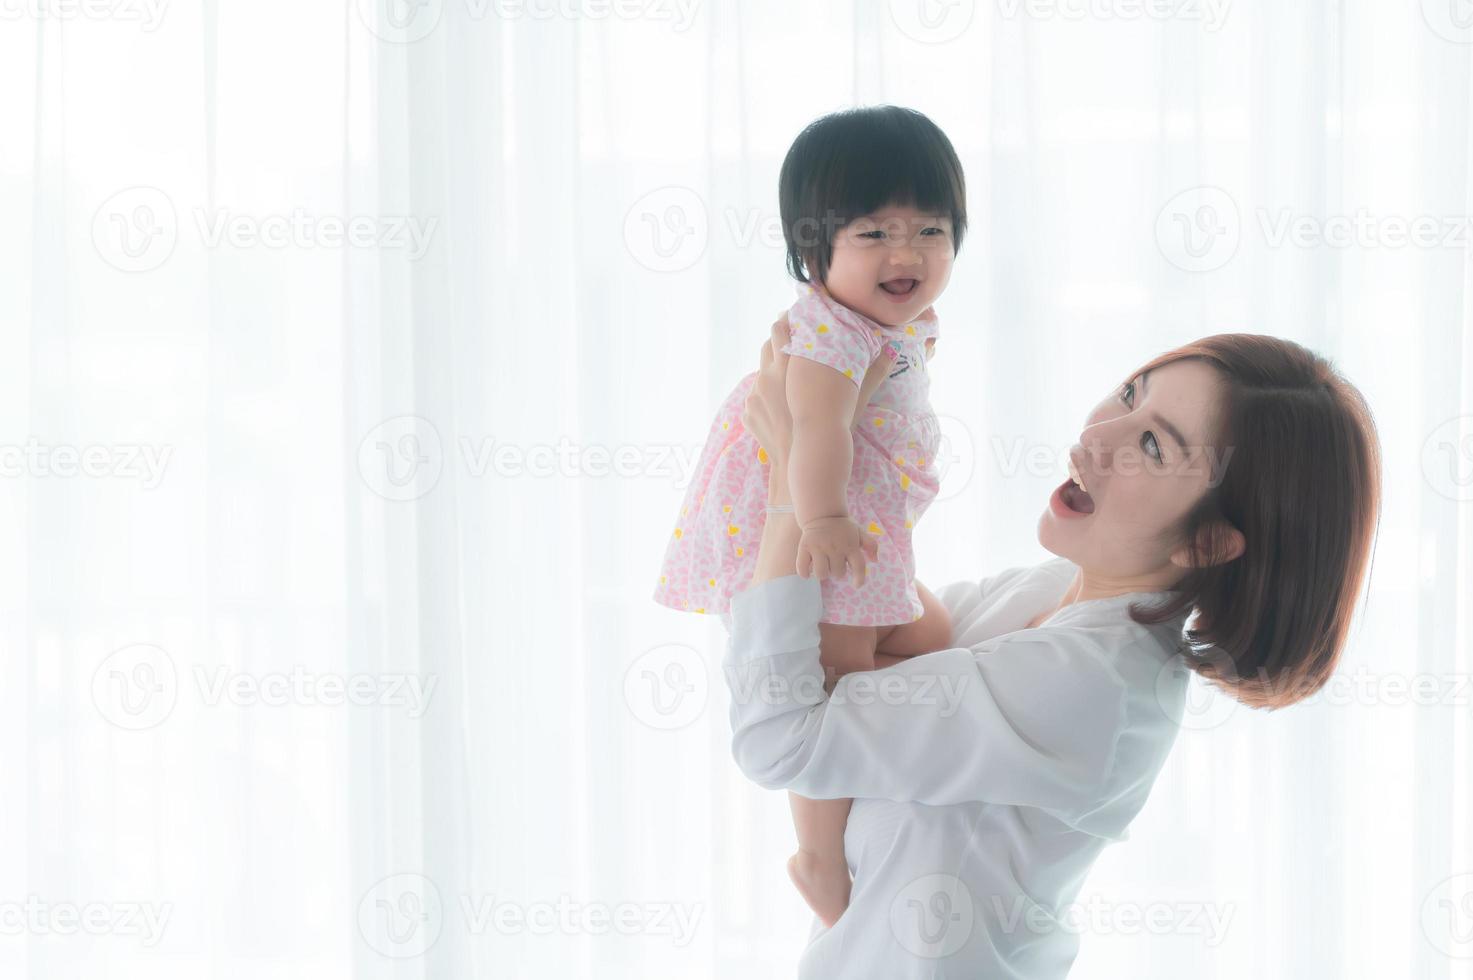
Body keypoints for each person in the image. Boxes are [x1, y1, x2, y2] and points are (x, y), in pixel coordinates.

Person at [723, 318, 1382, 977]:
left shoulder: (1093, 681)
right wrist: (838, 447)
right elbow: (838, 650)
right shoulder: (1052, 591)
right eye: (1129, 395)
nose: (1096, 437)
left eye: (1150, 445)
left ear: (1207, 543)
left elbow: (780, 733)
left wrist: (793, 488)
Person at [653, 105, 969, 924]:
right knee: (834, 688)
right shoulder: (829, 333)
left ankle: (871, 794)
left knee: (929, 640)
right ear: (811, 250)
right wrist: (823, 517)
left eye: (930, 230)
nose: (907, 254)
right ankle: (819, 859)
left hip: (855, 522)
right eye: (872, 234)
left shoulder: (897, 322)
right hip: (815, 526)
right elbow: (817, 427)